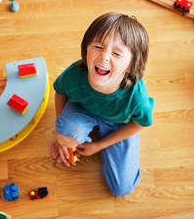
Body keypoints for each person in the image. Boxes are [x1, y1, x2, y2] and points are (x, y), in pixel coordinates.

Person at [50, 12, 154, 198]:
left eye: (116, 53)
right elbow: (60, 92)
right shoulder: (74, 74)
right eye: (98, 46)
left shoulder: (136, 98)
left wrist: (99, 145)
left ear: (130, 66)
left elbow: (140, 123)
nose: (104, 56)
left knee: (122, 189)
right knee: (65, 137)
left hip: (118, 124)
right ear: (86, 49)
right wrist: (61, 131)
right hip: (83, 108)